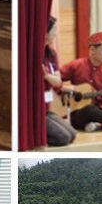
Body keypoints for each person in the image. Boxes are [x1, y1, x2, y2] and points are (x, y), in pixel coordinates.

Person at [41, 16, 76, 146]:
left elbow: (58, 81)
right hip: (38, 108)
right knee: (63, 138)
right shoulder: (35, 53)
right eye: (54, 30)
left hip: (47, 107)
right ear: (45, 33)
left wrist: (47, 77)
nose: (55, 34)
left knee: (72, 134)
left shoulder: (51, 54)